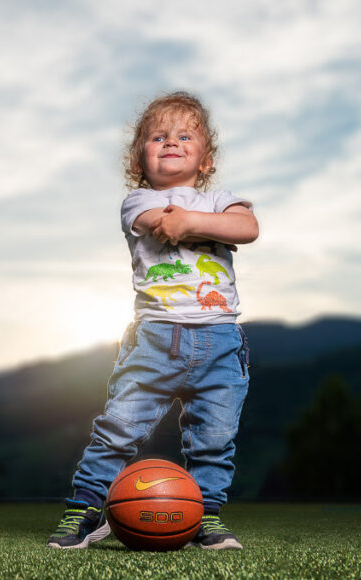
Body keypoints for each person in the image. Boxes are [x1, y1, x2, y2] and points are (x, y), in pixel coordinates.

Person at [47, 91, 258, 550]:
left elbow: (247, 227)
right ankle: (84, 508)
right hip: (157, 339)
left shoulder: (223, 199)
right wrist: (190, 221)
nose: (171, 142)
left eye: (185, 135)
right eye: (157, 136)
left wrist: (188, 220)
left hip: (221, 341)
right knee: (119, 426)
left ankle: (205, 515)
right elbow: (157, 222)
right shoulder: (136, 200)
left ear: (205, 161)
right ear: (138, 157)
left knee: (215, 437)